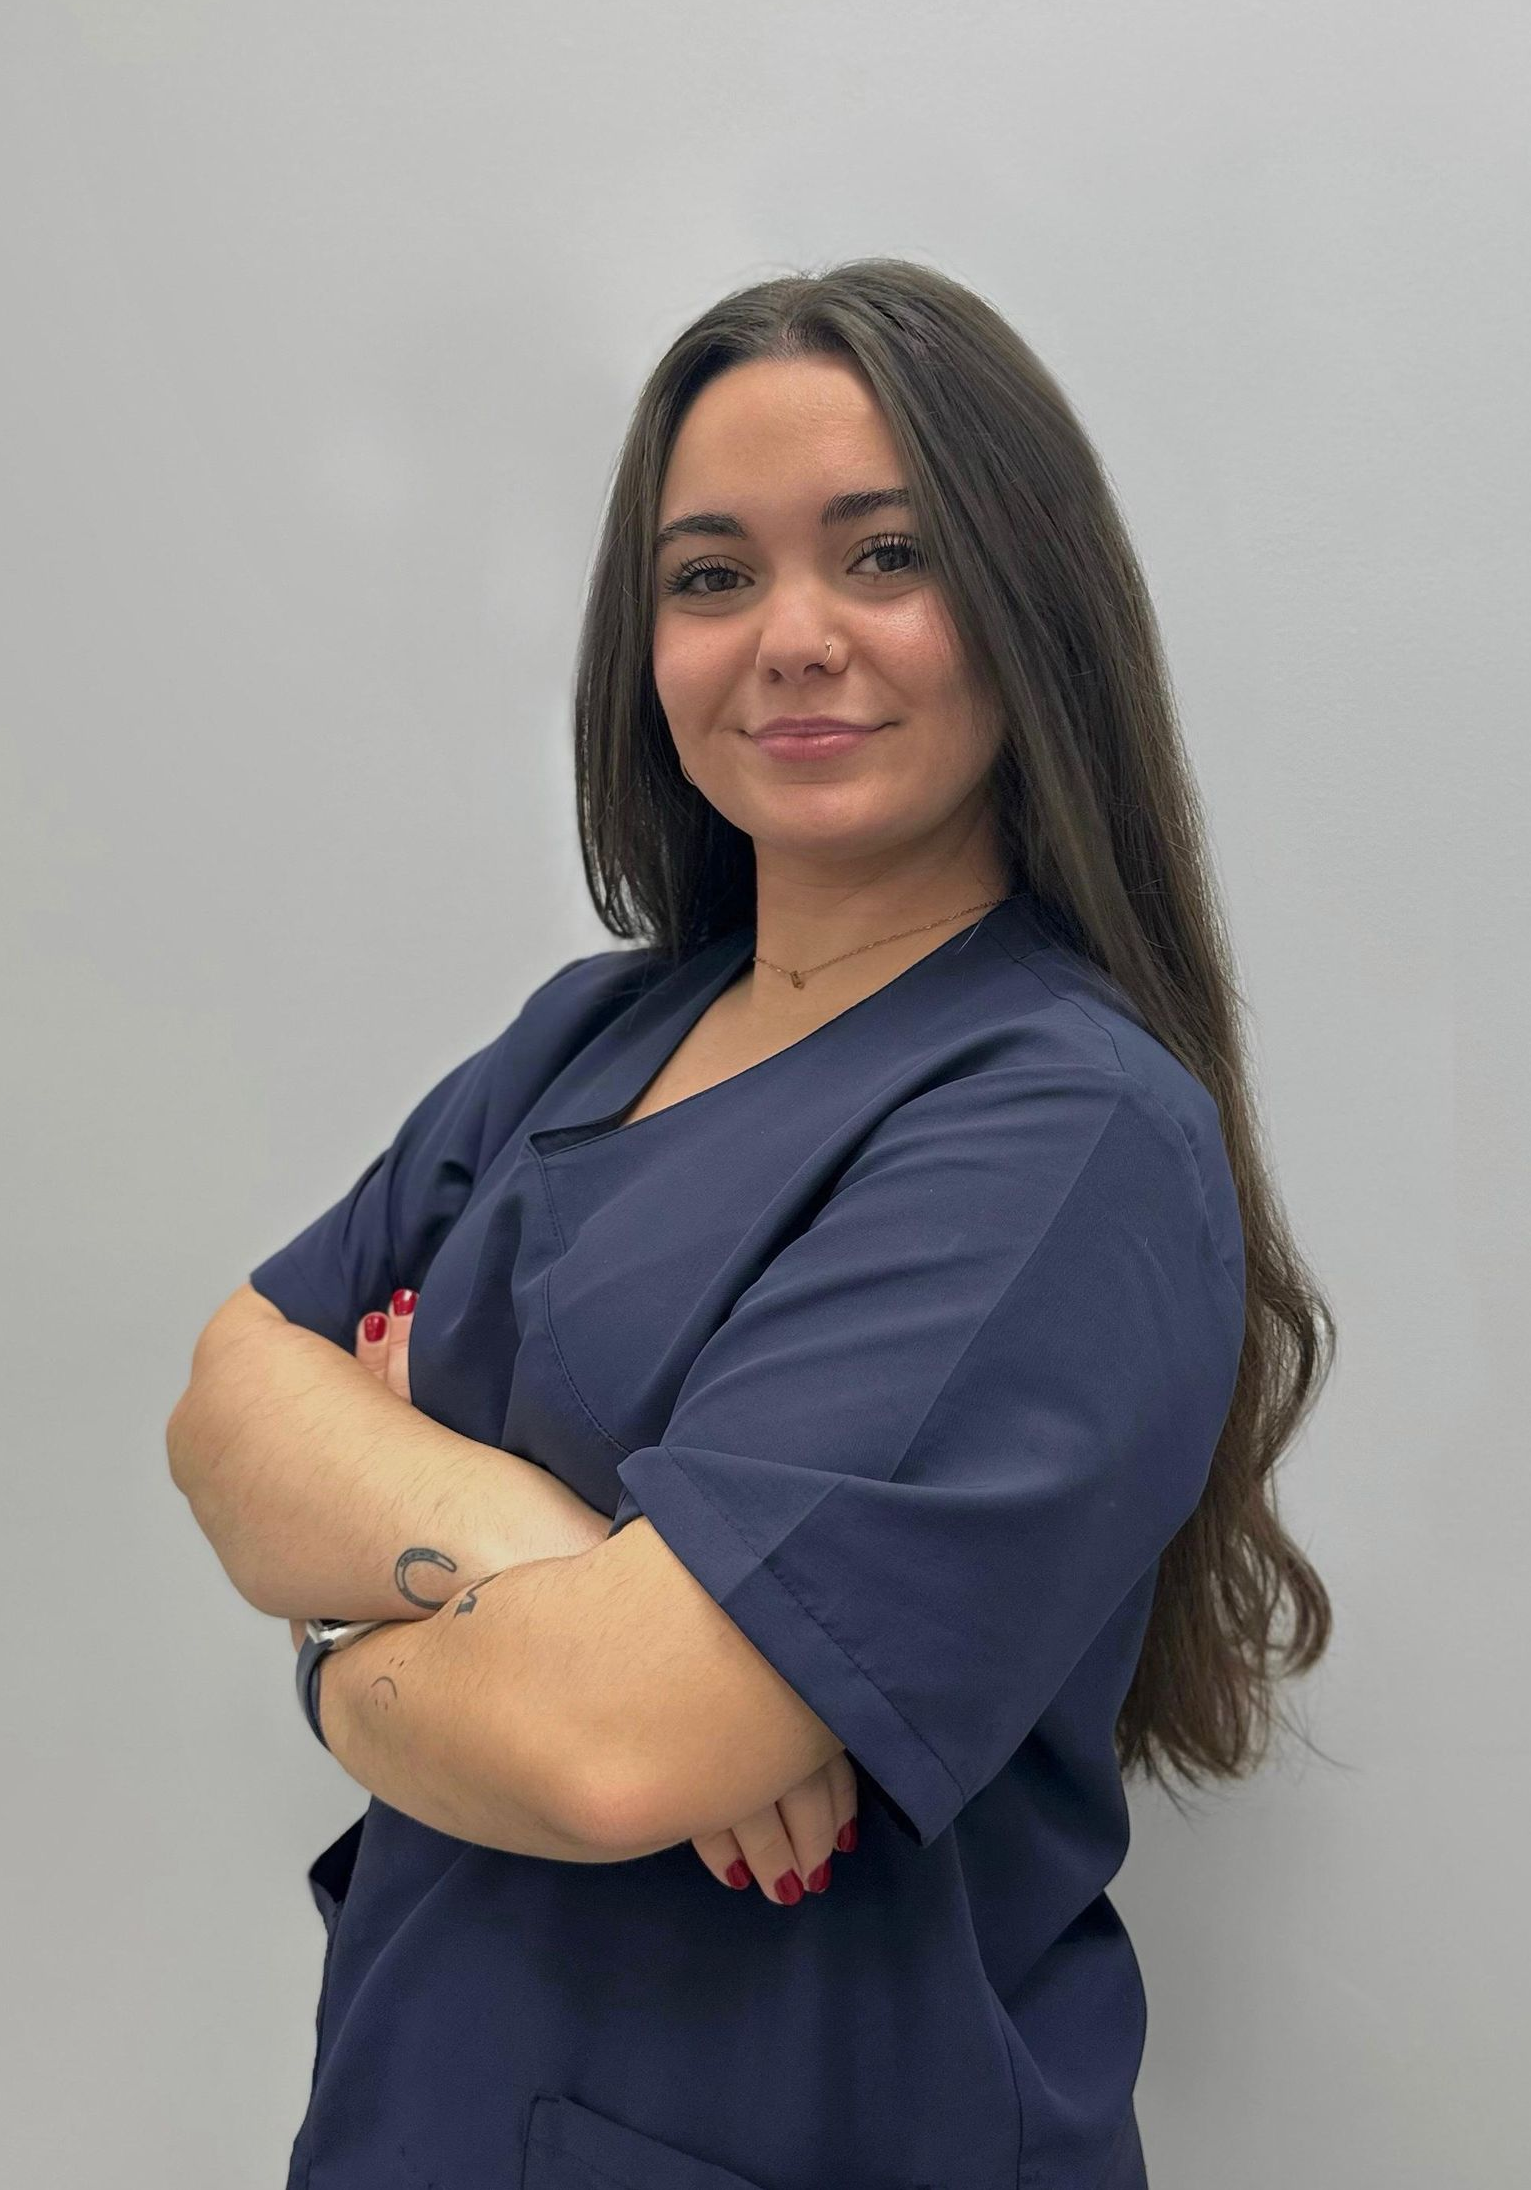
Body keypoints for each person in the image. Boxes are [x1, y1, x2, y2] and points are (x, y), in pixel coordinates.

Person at [174, 258, 1335, 2190]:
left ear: (1026, 602)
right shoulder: (587, 1032)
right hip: (420, 2107)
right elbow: (226, 1397)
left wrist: (336, 1627)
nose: (789, 635)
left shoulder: (1059, 1129)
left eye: (883, 554)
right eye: (710, 575)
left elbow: (609, 1747)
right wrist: (549, 1554)